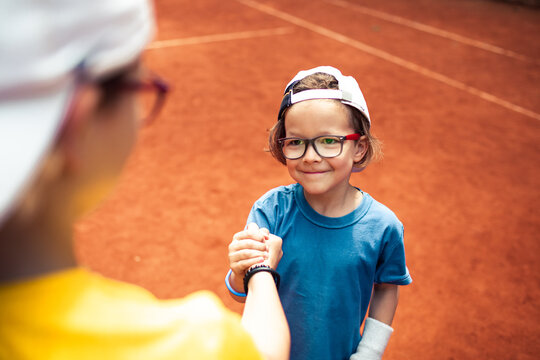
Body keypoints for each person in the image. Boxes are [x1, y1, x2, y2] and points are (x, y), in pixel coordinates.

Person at [0, 1, 289, 359]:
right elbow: (266, 351)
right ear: (78, 123)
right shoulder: (194, 345)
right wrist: (260, 270)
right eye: (139, 87)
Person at [226, 66, 412, 360]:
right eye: (296, 142)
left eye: (329, 141)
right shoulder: (270, 210)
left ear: (359, 148)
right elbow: (242, 291)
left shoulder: (384, 226)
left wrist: (370, 352)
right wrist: (239, 273)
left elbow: (387, 287)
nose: (310, 156)